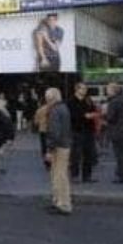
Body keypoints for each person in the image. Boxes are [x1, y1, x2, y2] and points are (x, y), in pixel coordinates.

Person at [44, 87, 73, 215]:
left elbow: (54, 132)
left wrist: (49, 149)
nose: (46, 101)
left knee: (59, 175)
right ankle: (58, 201)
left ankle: (63, 204)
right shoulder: (64, 108)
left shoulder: (54, 111)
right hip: (64, 144)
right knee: (59, 175)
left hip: (59, 146)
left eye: (47, 98)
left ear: (51, 98)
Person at [67, 83, 98, 183]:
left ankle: (87, 176)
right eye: (83, 88)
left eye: (86, 88)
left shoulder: (88, 100)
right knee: (75, 154)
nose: (85, 90)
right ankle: (74, 176)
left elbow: (94, 111)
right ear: (77, 89)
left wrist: (92, 115)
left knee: (88, 154)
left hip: (88, 130)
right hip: (76, 130)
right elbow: (71, 116)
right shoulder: (70, 102)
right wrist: (84, 116)